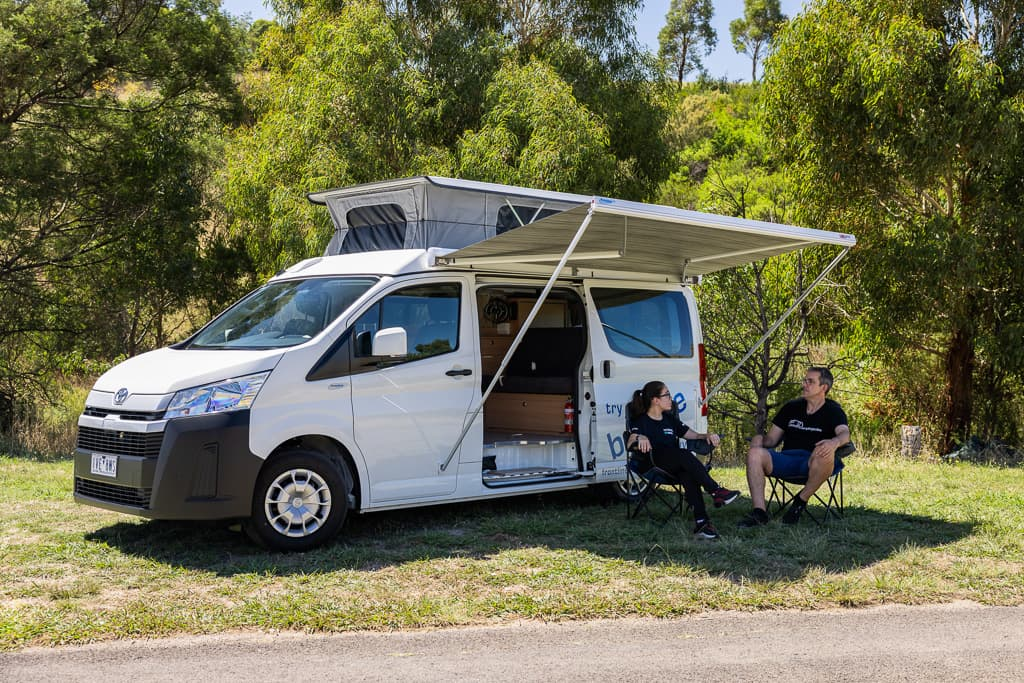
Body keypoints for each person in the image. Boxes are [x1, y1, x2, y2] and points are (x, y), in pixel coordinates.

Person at [626, 380, 741, 540]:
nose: (670, 398)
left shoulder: (669, 419)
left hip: (673, 464)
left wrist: (705, 435)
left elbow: (690, 434)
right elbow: (630, 441)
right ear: (655, 400)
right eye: (666, 395)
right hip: (652, 464)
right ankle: (715, 490)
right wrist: (641, 437)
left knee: (687, 473)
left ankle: (702, 523)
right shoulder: (641, 421)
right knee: (684, 454)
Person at [739, 366, 851, 527]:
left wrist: (834, 442)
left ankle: (800, 501)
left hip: (814, 463)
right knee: (755, 453)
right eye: (804, 380)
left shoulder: (833, 410)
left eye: (810, 381)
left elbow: (844, 434)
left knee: (823, 451)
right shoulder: (791, 407)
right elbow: (771, 440)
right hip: (787, 459)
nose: (804, 384)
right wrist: (758, 439)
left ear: (823, 387)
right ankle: (759, 513)